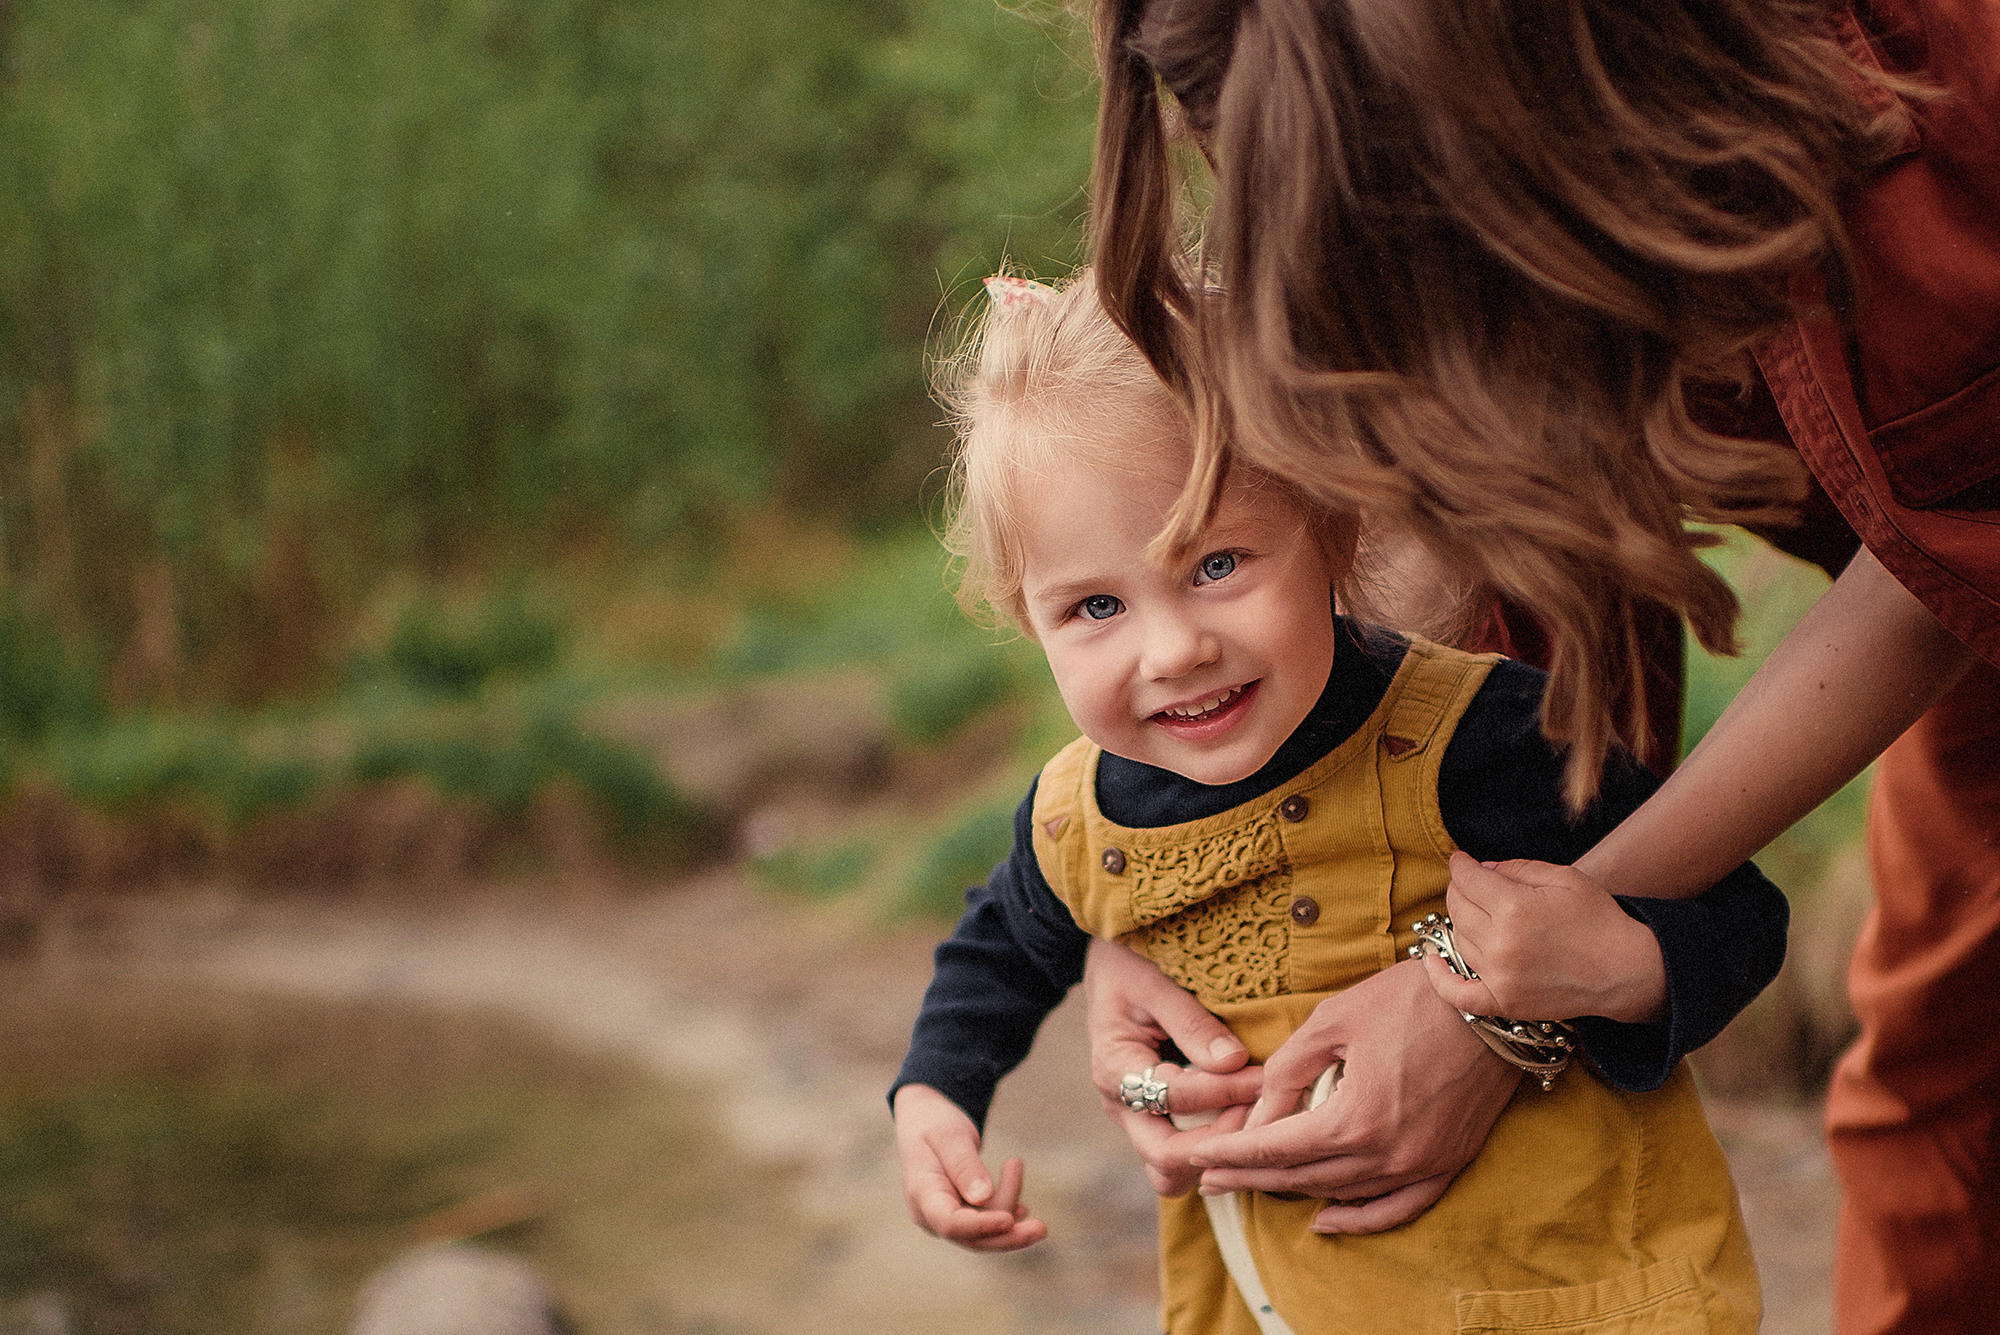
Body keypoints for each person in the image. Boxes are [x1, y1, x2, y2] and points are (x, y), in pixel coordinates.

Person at [1076, 0, 1999, 1330]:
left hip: (1956, 565)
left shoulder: (1944, 73)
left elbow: (1949, 542)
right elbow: (1459, 522)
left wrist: (1487, 983)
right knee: (1941, 1103)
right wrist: (1178, 890)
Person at [890, 268, 1780, 1332]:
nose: (1173, 649)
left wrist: (1621, 970)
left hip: (1564, 1297)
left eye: (1216, 562)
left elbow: (1734, 912)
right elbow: (998, 948)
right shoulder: (1078, 820)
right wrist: (935, 1096)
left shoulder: (1480, 740)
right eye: (1093, 606)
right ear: (1027, 623)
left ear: (1332, 528)